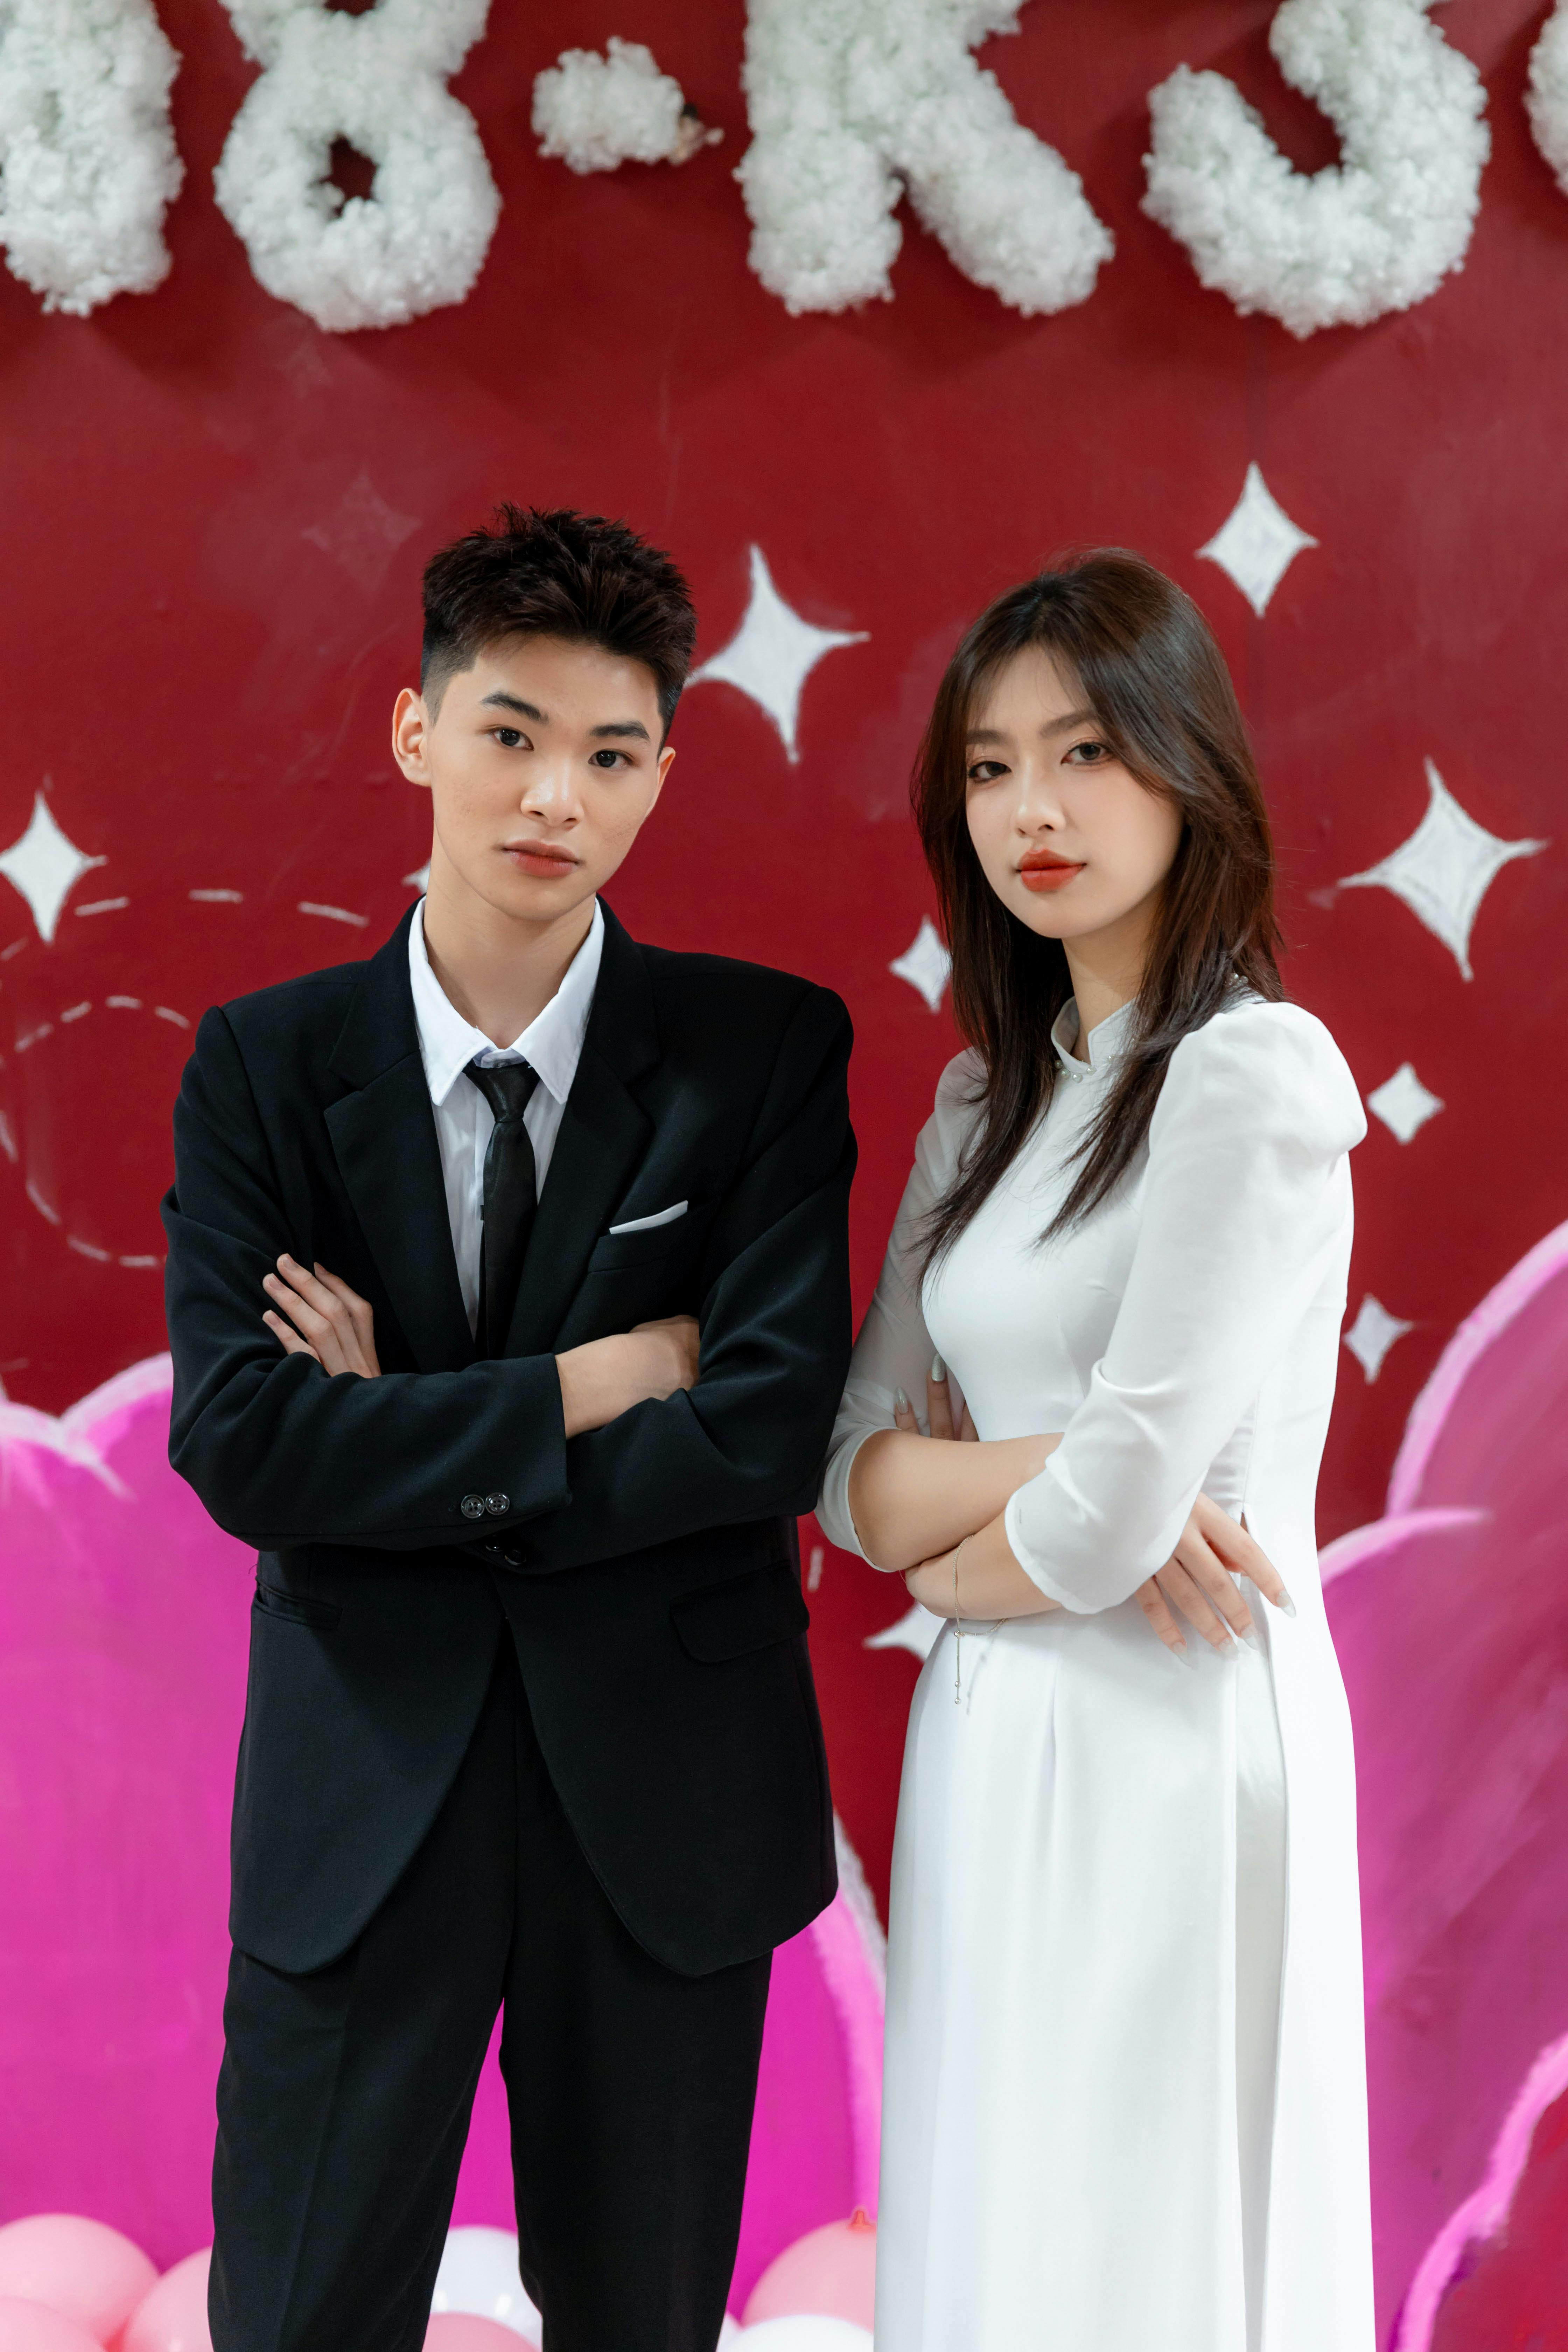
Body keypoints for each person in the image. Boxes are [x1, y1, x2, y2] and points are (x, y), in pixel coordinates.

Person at [162, 506, 855, 2352]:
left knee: (643, 2324)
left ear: (661, 779)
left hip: (665, 1806)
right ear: (418, 733)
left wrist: (399, 1432)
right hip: (363, 1798)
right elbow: (244, 1444)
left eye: (611, 755)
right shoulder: (263, 1067)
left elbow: (767, 1430)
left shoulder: (762, 1056)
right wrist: (584, 1385)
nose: (557, 795)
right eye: (511, 734)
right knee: (297, 2321)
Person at [816, 551, 1374, 2352]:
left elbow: (1117, 1525)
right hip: (990, 1739)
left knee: (1145, 2244)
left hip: (1175, 1728)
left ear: (1185, 767)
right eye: (990, 768)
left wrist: (1035, 1516)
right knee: (999, 2225)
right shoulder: (986, 1100)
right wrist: (1063, 1469)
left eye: (1083, 753)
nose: (1032, 811)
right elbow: (852, 1478)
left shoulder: (1250, 1075)